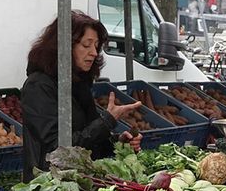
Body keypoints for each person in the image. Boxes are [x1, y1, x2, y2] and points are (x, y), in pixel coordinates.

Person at [21, 11, 143, 181]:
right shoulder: (39, 86)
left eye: (96, 45)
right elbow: (56, 149)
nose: (94, 52)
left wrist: (118, 143)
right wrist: (107, 121)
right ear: (64, 46)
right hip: (49, 187)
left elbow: (88, 141)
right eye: (87, 45)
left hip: (79, 183)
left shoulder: (79, 84)